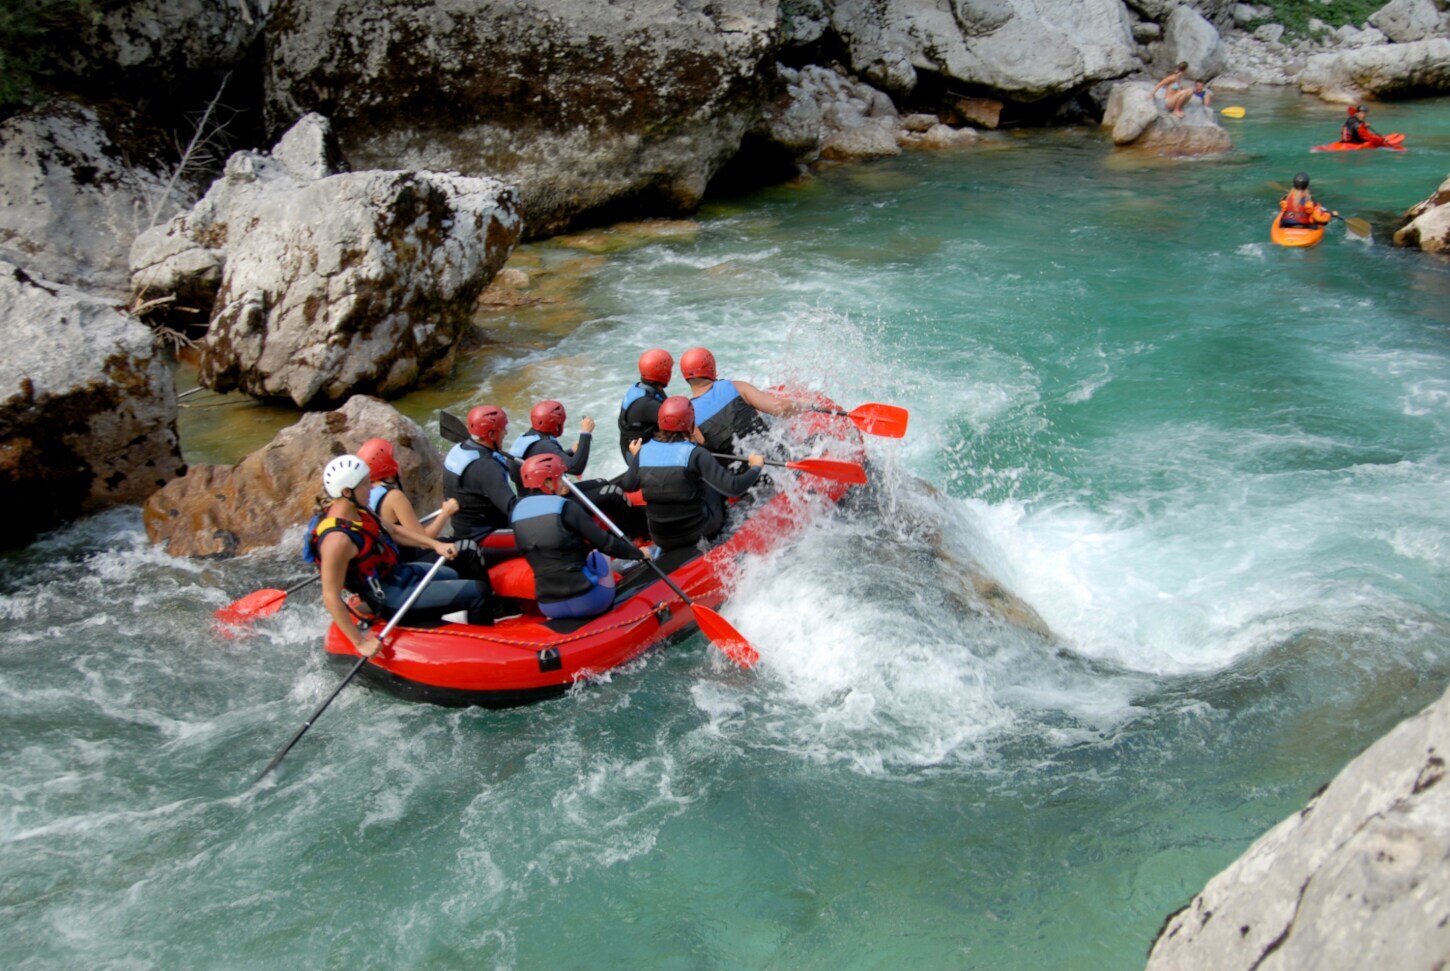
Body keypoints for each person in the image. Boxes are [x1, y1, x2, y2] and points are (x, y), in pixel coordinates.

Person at [308, 455, 492, 657]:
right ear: (346, 492)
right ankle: (483, 651)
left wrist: (436, 545)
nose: (371, 489)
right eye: (365, 484)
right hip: (390, 597)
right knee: (479, 592)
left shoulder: (360, 512)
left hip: (399, 574)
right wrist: (360, 643)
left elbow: (394, 531)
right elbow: (330, 596)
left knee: (454, 573)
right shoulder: (337, 541)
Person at [620, 396, 765, 554]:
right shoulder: (697, 454)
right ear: (690, 422)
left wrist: (636, 458)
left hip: (660, 538)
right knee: (708, 481)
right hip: (699, 532)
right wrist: (755, 467)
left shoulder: (643, 452)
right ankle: (726, 532)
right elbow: (734, 488)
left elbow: (628, 485)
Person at [511, 454, 647, 620]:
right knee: (598, 556)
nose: (565, 481)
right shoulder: (566, 507)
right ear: (547, 482)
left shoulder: (516, 514)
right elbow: (606, 544)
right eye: (561, 477)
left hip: (548, 606)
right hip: (590, 600)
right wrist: (639, 554)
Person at [679, 346, 810, 458]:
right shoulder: (736, 387)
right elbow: (780, 408)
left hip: (741, 476)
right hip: (773, 458)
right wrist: (807, 405)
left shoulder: (688, 417)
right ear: (712, 369)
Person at [357, 437, 459, 561]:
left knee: (450, 541)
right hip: (404, 560)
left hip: (391, 556)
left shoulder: (367, 492)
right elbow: (424, 541)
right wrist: (445, 513)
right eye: (393, 458)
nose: (398, 461)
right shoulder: (394, 497)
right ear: (385, 466)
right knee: (465, 549)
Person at [443, 405, 519, 542]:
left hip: (463, 529)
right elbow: (513, 508)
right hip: (484, 537)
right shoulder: (487, 467)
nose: (506, 433)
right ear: (491, 435)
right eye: (502, 429)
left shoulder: (460, 449)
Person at [509, 399, 594, 477]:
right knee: (601, 484)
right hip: (545, 489)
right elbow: (576, 468)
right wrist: (585, 433)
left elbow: (547, 457)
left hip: (530, 488)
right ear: (556, 424)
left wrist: (571, 451)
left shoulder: (528, 438)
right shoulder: (544, 445)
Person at [618, 348, 672, 462]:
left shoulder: (640, 388)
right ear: (665, 374)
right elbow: (677, 424)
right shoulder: (649, 405)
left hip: (628, 447)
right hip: (637, 456)